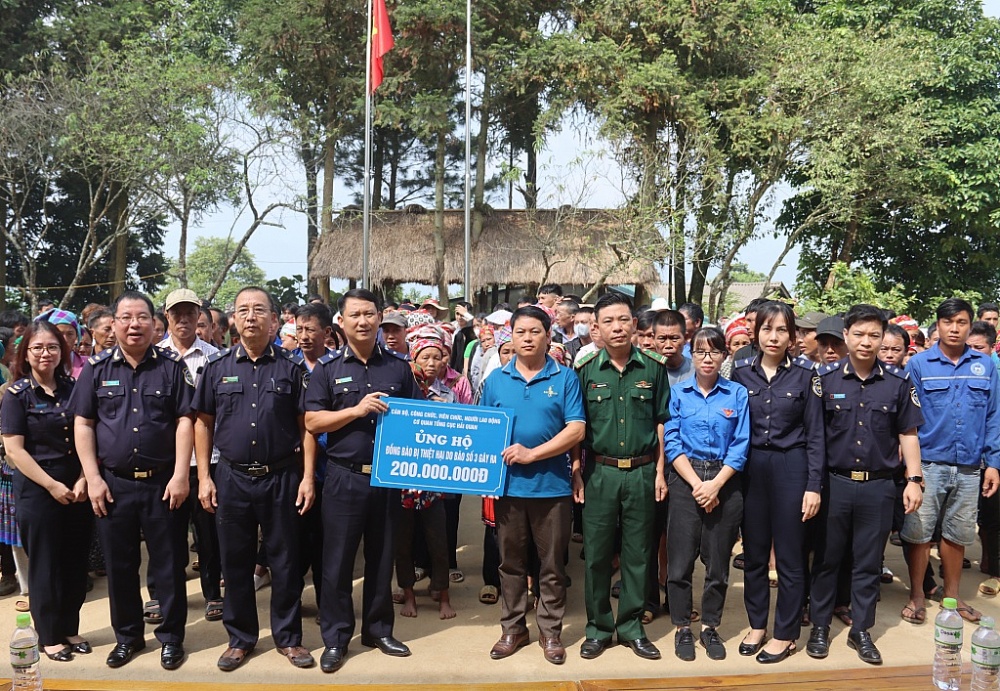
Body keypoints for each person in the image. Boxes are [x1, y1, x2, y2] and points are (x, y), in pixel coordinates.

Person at [71, 291, 195, 670]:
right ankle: (127, 636)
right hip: (114, 484)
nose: (133, 324)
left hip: (163, 484)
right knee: (119, 565)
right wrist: (92, 477)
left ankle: (171, 638)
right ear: (114, 324)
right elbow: (83, 423)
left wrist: (179, 474)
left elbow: (185, 420)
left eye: (141, 317)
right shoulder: (96, 369)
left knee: (169, 563)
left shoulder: (171, 368)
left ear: (154, 323)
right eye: (125, 318)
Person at [195, 287, 316, 671]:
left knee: (284, 561)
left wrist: (307, 477)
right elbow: (203, 423)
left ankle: (288, 638)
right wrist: (204, 477)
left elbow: (306, 428)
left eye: (259, 310)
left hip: (281, 477)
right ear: (233, 319)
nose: (251, 317)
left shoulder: (291, 369)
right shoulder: (216, 369)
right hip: (231, 477)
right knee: (235, 561)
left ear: (275, 320)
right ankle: (241, 638)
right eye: (243, 310)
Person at [304, 288, 422, 673]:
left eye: (369, 314)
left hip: (387, 478)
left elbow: (417, 420)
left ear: (379, 316)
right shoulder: (327, 369)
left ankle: (378, 630)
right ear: (341, 321)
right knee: (337, 562)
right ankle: (336, 637)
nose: (363, 321)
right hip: (343, 478)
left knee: (382, 555)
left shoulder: (399, 368)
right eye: (354, 315)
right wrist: (355, 411)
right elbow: (312, 421)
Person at [806, 304, 924, 665]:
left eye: (874, 335)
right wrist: (813, 485)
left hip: (879, 486)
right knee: (827, 559)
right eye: (858, 334)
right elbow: (815, 439)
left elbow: (908, 433)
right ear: (846, 336)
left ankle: (861, 630)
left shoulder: (898, 383)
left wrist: (914, 480)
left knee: (869, 563)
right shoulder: (824, 381)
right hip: (835, 483)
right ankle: (820, 627)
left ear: (882, 338)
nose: (866, 341)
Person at [480, 306, 585, 664]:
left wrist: (532, 454)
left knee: (552, 565)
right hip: (507, 489)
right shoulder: (495, 380)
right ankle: (513, 628)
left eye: (535, 331)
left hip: (552, 488)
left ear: (548, 336)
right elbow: (483, 431)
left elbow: (576, 429)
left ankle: (550, 632)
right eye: (520, 332)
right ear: (510, 336)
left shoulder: (565, 378)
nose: (527, 338)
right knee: (510, 564)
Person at [575, 293, 669, 661]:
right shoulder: (585, 371)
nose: (617, 327)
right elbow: (576, 426)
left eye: (624, 320)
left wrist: (660, 471)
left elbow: (663, 423)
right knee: (597, 555)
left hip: (643, 471)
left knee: (637, 553)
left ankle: (631, 626)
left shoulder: (653, 367)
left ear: (634, 325)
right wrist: (576, 471)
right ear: (596, 327)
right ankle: (598, 628)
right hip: (600, 472)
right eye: (609, 321)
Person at [731, 303, 823, 664]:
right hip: (752, 466)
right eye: (767, 329)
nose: (773, 337)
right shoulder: (741, 372)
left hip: (791, 467)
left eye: (782, 330)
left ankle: (785, 633)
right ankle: (757, 625)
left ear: (792, 336)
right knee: (753, 553)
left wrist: (813, 485)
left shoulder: (805, 374)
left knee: (789, 556)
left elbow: (816, 435)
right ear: (756, 333)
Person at [901, 298, 1000, 627]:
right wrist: (911, 470)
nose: (954, 328)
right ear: (938, 325)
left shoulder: (985, 366)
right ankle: (917, 595)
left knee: (957, 535)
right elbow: (907, 419)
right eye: (947, 322)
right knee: (918, 533)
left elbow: (993, 416)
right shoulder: (919, 365)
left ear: (970, 325)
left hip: (971, 467)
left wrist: (993, 463)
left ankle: (953, 598)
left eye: (961, 322)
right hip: (928, 465)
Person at [0, 321, 92, 662]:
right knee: (45, 564)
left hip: (77, 487)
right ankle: (49, 635)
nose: (45, 353)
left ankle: (69, 627)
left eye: (52, 347)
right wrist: (52, 485)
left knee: (74, 561)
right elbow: (14, 450)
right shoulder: (17, 395)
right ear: (26, 353)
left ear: (62, 351)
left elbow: (89, 437)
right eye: (37, 347)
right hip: (39, 490)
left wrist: (84, 478)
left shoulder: (75, 388)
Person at [664, 327, 749, 662]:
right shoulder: (678, 393)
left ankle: (710, 627)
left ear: (724, 355)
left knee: (717, 563)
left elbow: (741, 444)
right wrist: (698, 485)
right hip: (686, 479)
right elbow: (672, 441)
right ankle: (683, 627)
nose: (707, 358)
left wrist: (715, 485)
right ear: (691, 355)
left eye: (714, 351)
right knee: (680, 561)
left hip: (725, 482)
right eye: (700, 351)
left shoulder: (737, 394)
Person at [155, 289, 222, 625]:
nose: (182, 319)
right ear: (166, 318)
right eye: (175, 313)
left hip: (207, 462)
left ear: (200, 317)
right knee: (166, 535)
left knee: (208, 534)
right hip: (165, 462)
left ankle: (213, 594)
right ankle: (160, 595)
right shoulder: (154, 357)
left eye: (189, 313)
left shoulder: (215, 358)